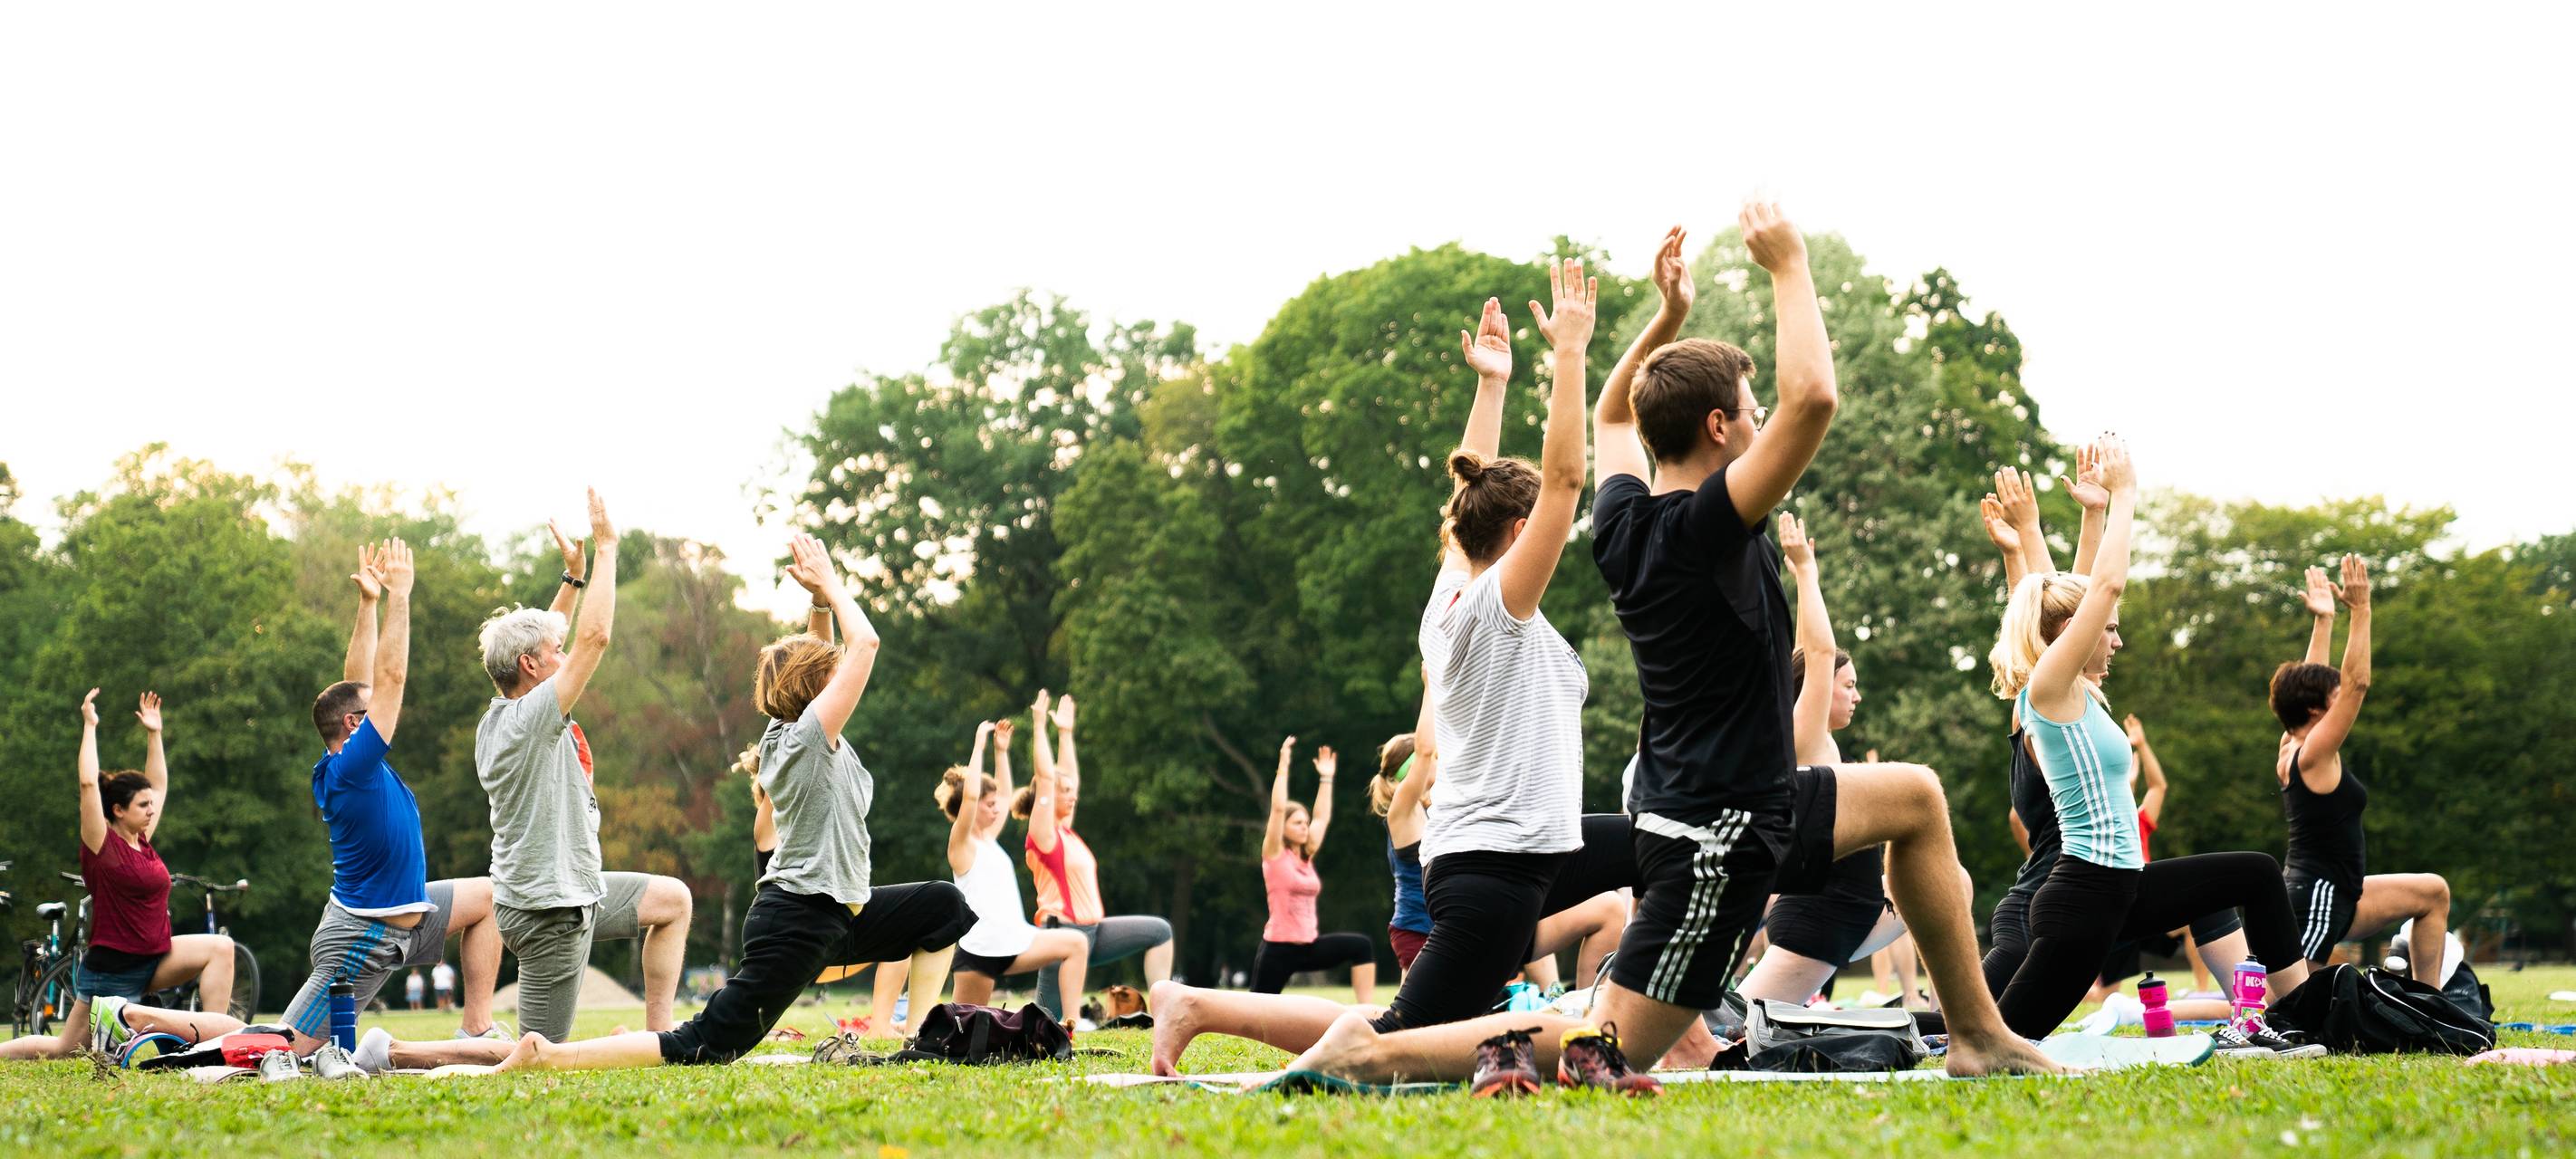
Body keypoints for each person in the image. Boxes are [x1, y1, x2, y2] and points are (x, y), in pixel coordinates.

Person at [1285, 212, 2058, 1088]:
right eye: (1751, 412)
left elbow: (1616, 409)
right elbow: (1815, 399)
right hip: (1714, 835)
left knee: (1914, 797)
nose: (1769, 423)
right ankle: (1374, 1048)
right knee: (1611, 1043)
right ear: (1723, 428)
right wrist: (1788, 265)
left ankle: (1978, 1033)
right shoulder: (1704, 527)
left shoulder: (1624, 518)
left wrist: (1664, 320)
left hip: (1744, 797)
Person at [1148, 269, 1622, 1083]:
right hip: (1493, 871)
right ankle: (1198, 1006)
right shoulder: (1495, 607)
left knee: (1678, 847)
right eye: (1535, 524)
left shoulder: (1455, 587)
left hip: (1529, 853)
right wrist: (1571, 356)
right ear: (1518, 532)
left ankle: (1671, 1014)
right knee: (1397, 1039)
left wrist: (1494, 385)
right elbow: (1566, 483)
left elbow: (1466, 489)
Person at [490, 532, 971, 1073]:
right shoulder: (808, 737)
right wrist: (833, 583)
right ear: (819, 690)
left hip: (841, 909)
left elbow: (823, 656)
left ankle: (923, 1039)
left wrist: (817, 602)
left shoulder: (801, 730)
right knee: (709, 1043)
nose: (842, 677)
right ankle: (553, 1055)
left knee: (941, 906)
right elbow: (867, 646)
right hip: (800, 919)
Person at [94, 541, 515, 1075]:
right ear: (355, 726)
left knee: (487, 896)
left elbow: (355, 683)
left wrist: (368, 605)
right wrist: (400, 598)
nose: (381, 713)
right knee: (282, 1043)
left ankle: (475, 1025)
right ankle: (127, 1015)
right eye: (368, 714)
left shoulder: (346, 754)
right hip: (363, 934)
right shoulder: (355, 769)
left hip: (406, 912)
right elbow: (388, 682)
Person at [1984, 436, 2320, 1057]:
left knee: (2254, 873)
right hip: (2079, 899)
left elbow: (2078, 593)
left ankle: (2303, 1016)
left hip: (2124, 889)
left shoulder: (2083, 692)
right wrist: (2125, 494)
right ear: (2067, 639)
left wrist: (2089, 515)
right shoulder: (2048, 692)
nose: (2114, 641)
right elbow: (2099, 591)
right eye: (2105, 633)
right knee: (1993, 1045)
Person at [476, 494, 694, 1043]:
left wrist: (573, 580)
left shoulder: (506, 713)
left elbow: (554, 636)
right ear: (532, 666)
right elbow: (595, 639)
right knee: (536, 1055)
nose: (564, 653)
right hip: (552, 911)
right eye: (555, 651)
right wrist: (607, 549)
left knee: (673, 901)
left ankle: (659, 1039)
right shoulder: (530, 720)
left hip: (575, 890)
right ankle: (403, 1051)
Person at [0, 692, 242, 1062]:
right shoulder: (102, 846)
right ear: (117, 810)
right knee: (67, 1049)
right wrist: (90, 726)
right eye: (142, 805)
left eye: (150, 805)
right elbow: (86, 785)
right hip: (112, 972)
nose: (151, 810)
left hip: (155, 959)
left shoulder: (141, 841)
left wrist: (154, 734)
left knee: (221, 948)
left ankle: (213, 1041)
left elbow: (158, 785)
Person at [2273, 556, 2450, 982]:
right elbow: (2357, 683)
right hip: (2316, 897)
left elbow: (2309, 679)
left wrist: (2324, 621)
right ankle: (2136, 1012)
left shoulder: (2293, 741)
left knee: (2433, 892)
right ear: (2317, 710)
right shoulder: (2312, 755)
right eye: (2334, 696)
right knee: (2281, 1010)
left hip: (2344, 892)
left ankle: (2430, 1008)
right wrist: (2361, 609)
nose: (2343, 697)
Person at [1019, 690, 1175, 1020]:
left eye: (1072, 792)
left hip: (1095, 932)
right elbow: (1049, 778)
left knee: (1160, 931)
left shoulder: (1068, 832)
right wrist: (1037, 725)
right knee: (1043, 1019)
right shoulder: (1044, 836)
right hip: (1061, 935)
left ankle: (1165, 1012)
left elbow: (1068, 777)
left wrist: (1065, 733)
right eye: (1064, 792)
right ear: (1045, 796)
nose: (1072, 795)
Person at [937, 718, 1090, 1015]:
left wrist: (1001, 752)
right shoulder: (961, 844)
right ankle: (909, 1026)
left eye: (996, 804)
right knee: (960, 1032)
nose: (997, 808)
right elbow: (970, 794)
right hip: (979, 954)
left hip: (1017, 942)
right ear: (969, 808)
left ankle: (1069, 1026)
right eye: (989, 804)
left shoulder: (990, 840)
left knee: (1076, 944)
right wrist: (979, 746)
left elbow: (1005, 795)